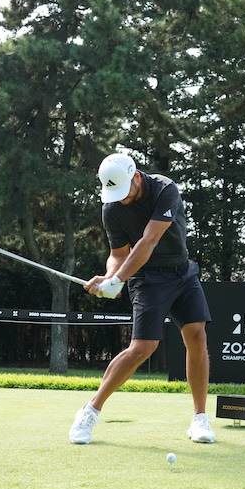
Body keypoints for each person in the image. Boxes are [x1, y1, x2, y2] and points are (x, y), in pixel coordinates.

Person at [68, 152, 215, 445]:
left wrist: (117, 279)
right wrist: (110, 276)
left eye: (125, 192)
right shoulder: (112, 208)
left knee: (197, 335)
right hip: (147, 279)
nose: (122, 199)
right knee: (142, 348)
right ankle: (90, 410)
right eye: (116, 195)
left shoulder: (164, 190)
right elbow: (118, 254)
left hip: (182, 273)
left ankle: (200, 418)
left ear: (136, 177)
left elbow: (149, 241)